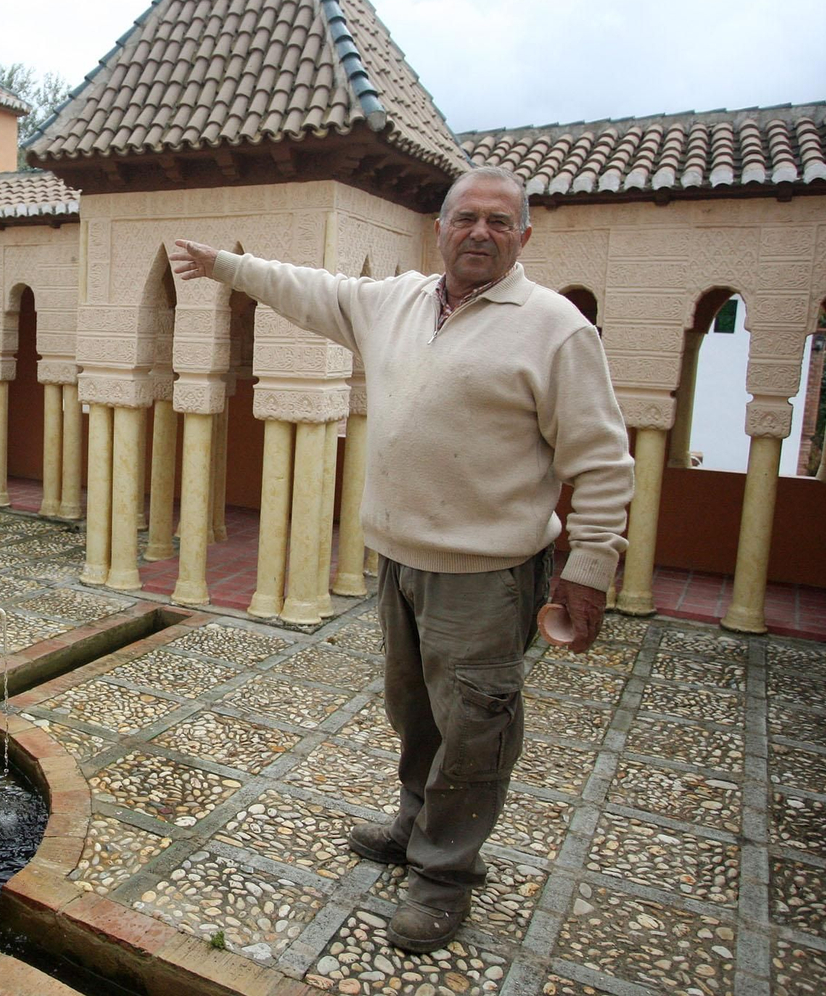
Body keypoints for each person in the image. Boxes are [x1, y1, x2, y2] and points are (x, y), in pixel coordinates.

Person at [170, 166, 634, 954]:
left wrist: (588, 569)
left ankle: (444, 874)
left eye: (498, 221)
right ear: (440, 229)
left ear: (524, 235)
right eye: (466, 218)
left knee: (476, 727)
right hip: (399, 559)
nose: (480, 232)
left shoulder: (555, 328)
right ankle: (416, 822)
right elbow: (309, 289)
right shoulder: (397, 302)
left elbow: (603, 460)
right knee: (415, 711)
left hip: (487, 576)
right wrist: (224, 266)